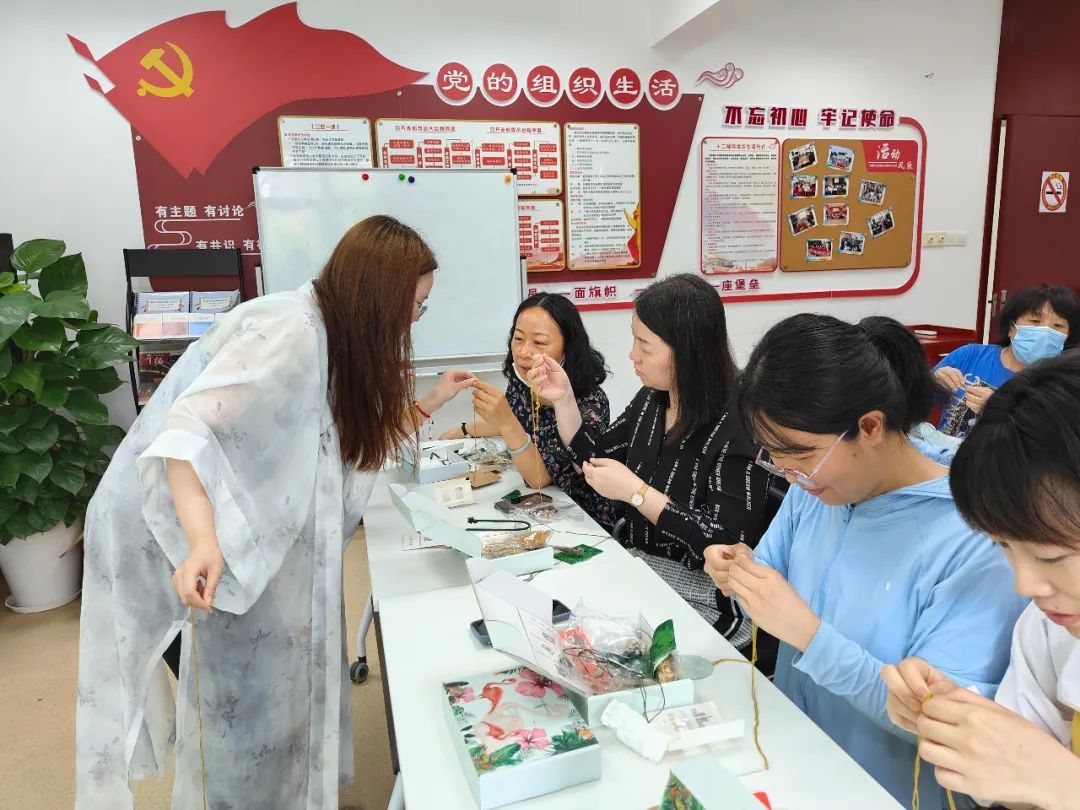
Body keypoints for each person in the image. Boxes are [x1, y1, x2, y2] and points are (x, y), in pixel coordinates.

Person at [75, 216, 474, 810]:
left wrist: (434, 398)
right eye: (415, 305)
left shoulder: (334, 336)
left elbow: (342, 448)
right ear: (379, 296)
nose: (415, 320)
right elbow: (187, 436)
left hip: (233, 535)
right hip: (179, 531)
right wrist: (202, 540)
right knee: (238, 705)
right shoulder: (290, 331)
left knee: (288, 673)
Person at [703, 314, 1027, 809]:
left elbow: (947, 728)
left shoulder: (976, 535)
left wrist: (811, 636)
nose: (790, 476)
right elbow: (768, 578)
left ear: (870, 426)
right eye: (775, 459)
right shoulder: (816, 488)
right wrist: (739, 571)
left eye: (800, 457)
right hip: (797, 766)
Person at [530, 274, 774, 651]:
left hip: (709, 598)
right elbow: (595, 462)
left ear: (687, 351)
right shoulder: (653, 399)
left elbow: (726, 541)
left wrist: (638, 494)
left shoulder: (740, 421)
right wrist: (563, 399)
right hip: (643, 568)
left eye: (644, 344)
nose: (633, 355)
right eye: (634, 340)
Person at [882, 353, 1080, 809]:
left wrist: (1066, 785)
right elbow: (1021, 791)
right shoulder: (1048, 628)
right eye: (1004, 547)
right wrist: (958, 720)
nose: (1025, 585)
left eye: (1051, 556)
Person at [439, 293, 616, 529]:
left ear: (568, 347)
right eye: (518, 338)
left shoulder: (591, 403)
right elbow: (517, 417)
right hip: (536, 511)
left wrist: (506, 423)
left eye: (539, 343)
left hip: (581, 519)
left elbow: (539, 479)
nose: (523, 351)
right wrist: (463, 430)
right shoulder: (524, 379)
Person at [932, 283, 1079, 437]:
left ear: (1068, 336)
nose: (1045, 333)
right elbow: (918, 402)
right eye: (1035, 321)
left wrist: (998, 410)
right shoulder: (970, 355)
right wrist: (933, 382)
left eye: (1058, 325)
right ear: (1011, 327)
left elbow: (1052, 441)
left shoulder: (1065, 383)